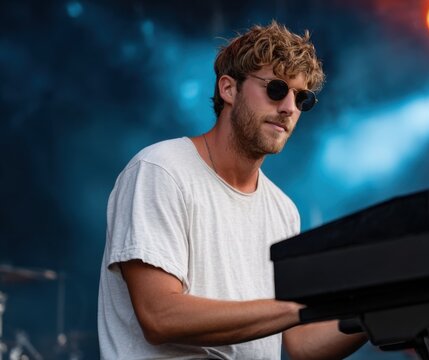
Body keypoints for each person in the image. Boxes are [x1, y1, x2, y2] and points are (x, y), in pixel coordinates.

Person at [97, 21, 366, 359]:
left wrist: (372, 314)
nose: (289, 108)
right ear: (228, 89)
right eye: (276, 88)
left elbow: (301, 345)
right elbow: (159, 315)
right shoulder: (160, 169)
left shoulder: (284, 210)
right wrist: (295, 308)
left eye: (302, 98)